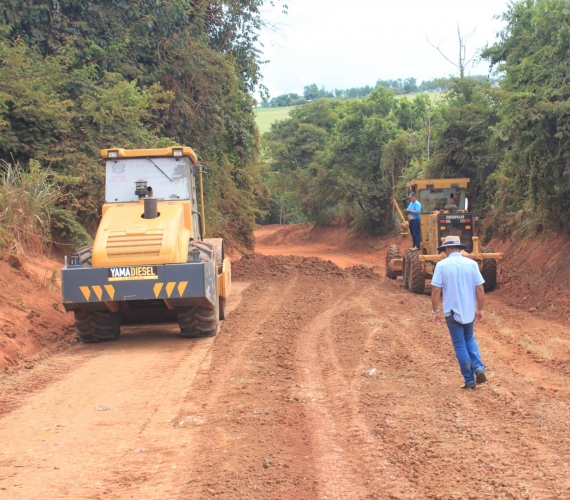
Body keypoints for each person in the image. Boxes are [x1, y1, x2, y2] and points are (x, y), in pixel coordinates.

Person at [430, 236, 487, 390]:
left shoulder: (441, 265)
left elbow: (436, 289)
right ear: (460, 248)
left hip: (452, 311)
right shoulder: (472, 264)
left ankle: (469, 380)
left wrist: (435, 311)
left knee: (460, 344)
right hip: (469, 311)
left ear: (447, 249)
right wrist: (480, 309)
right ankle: (479, 367)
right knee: (470, 338)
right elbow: (480, 288)